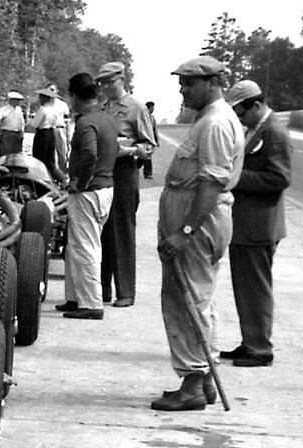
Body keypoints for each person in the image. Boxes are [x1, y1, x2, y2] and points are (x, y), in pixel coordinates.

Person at [152, 56, 243, 412]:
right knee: (199, 298)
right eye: (182, 82)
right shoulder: (207, 120)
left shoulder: (216, 123)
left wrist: (185, 231)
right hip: (195, 216)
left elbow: (211, 183)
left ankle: (191, 382)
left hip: (198, 221)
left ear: (213, 82)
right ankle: (203, 380)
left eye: (189, 82)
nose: (182, 89)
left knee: (185, 300)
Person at [222, 79, 291, 368]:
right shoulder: (257, 128)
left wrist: (235, 178)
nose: (238, 117)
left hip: (258, 225)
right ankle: (250, 340)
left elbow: (279, 178)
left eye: (241, 111)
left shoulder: (273, 131)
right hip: (247, 225)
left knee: (256, 288)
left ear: (257, 105)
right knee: (246, 288)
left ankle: (260, 347)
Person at [55, 73, 117, 320]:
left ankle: (91, 303)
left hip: (89, 192)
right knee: (75, 247)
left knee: (86, 248)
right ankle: (75, 298)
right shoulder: (106, 118)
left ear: (74, 96)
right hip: (104, 188)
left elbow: (90, 153)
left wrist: (80, 181)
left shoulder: (86, 123)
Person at [95, 61, 156, 308]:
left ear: (121, 80)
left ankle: (126, 291)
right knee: (103, 230)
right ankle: (103, 288)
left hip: (124, 171)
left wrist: (127, 150)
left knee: (122, 230)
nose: (106, 87)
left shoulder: (136, 108)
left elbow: (149, 147)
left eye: (110, 82)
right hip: (104, 171)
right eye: (102, 83)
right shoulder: (103, 108)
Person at [31, 83, 68, 183]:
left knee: (39, 159)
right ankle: (60, 178)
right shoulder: (53, 110)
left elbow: (34, 124)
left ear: (44, 98)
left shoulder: (43, 110)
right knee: (50, 160)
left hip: (42, 134)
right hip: (51, 133)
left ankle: (43, 180)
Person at [0, 91, 26, 155]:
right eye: (17, 100)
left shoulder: (19, 110)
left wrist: (22, 132)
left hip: (17, 134)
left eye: (19, 100)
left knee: (16, 154)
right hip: (7, 134)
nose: (18, 102)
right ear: (11, 100)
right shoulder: (4, 109)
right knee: (5, 153)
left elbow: (22, 122)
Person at [141, 101, 160, 179]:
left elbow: (155, 130)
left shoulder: (152, 118)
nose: (153, 109)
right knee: (144, 156)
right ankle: (147, 172)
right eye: (152, 108)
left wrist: (157, 140)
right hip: (143, 139)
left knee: (146, 156)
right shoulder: (142, 117)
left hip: (150, 140)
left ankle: (147, 173)